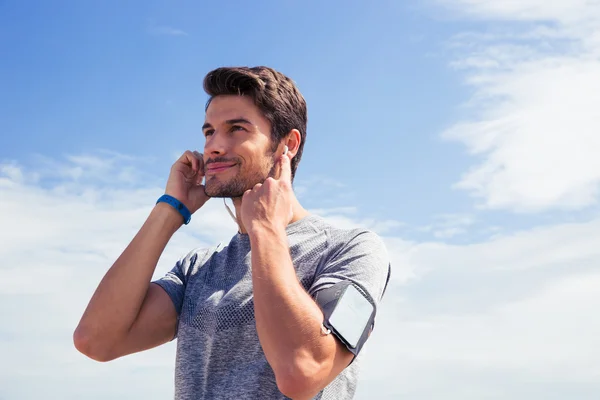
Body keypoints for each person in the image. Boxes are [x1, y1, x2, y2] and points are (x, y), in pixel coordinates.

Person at [73, 66, 392, 400]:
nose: (213, 146)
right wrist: (170, 209)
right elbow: (96, 340)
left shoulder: (352, 249)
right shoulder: (197, 268)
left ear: (288, 145)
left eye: (236, 129)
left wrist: (266, 229)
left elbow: (303, 371)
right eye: (209, 131)